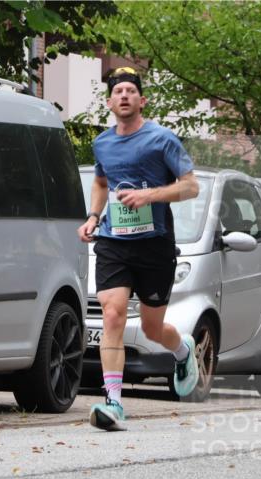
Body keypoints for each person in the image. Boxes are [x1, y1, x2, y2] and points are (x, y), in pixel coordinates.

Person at [77, 66, 201, 431]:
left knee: (151, 328)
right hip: (114, 242)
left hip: (155, 245)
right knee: (113, 314)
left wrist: (150, 195)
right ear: (109, 102)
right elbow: (101, 183)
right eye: (118, 92)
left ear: (142, 100)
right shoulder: (102, 143)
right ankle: (114, 403)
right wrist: (93, 216)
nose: (124, 96)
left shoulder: (162, 139)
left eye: (131, 91)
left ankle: (183, 351)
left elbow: (191, 186)